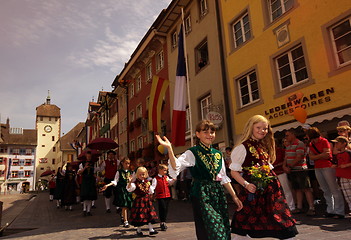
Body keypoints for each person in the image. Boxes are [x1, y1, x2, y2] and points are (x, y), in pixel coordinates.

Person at [156, 120, 243, 240]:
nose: (209, 134)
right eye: (205, 132)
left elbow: (223, 177)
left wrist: (234, 196)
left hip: (217, 192)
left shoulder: (218, 154)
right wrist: (170, 149)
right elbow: (176, 166)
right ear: (197, 134)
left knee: (222, 225)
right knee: (209, 226)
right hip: (201, 192)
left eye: (212, 132)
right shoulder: (193, 152)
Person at [230, 115, 298, 240]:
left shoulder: (262, 146)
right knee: (248, 221)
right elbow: (234, 171)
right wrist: (246, 184)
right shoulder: (242, 147)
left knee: (279, 215)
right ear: (251, 128)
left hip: (271, 190)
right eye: (259, 127)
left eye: (265, 128)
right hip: (254, 189)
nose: (262, 131)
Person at [306, 127, 345, 219]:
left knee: (334, 188)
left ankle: (339, 211)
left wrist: (316, 156)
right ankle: (330, 209)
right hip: (318, 167)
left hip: (327, 166)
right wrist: (320, 156)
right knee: (325, 189)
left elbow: (327, 154)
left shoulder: (324, 141)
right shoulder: (311, 144)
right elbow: (311, 157)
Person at [283, 129, 315, 216]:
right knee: (297, 189)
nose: (286, 137)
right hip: (292, 170)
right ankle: (299, 207)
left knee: (306, 188)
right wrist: (285, 166)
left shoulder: (299, 143)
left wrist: (289, 166)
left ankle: (311, 207)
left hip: (300, 169)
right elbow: (286, 157)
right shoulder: (288, 145)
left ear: (293, 134)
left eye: (287, 135)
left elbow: (299, 157)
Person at [127, 167, 158, 236]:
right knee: (139, 215)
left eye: (143, 174)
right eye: (140, 174)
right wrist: (129, 182)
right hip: (139, 201)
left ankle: (151, 229)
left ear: (146, 174)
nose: (142, 176)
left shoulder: (147, 182)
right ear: (137, 175)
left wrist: (152, 194)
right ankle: (139, 230)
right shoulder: (135, 183)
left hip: (147, 200)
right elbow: (129, 189)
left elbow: (150, 191)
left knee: (149, 214)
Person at [102, 157, 133, 227]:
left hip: (129, 190)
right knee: (124, 205)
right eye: (126, 163)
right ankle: (126, 221)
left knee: (128, 205)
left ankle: (123, 216)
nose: (127, 165)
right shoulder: (119, 172)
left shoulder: (131, 172)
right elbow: (115, 181)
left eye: (128, 163)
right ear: (122, 163)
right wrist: (107, 185)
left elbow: (133, 181)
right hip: (122, 190)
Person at [273, 138, 295, 212]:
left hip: (281, 172)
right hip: (273, 174)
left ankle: (290, 206)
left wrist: (278, 165)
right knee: (276, 192)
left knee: (286, 190)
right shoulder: (269, 152)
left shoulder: (281, 151)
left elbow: (285, 160)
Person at [331, 136, 351, 216]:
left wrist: (346, 165)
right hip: (342, 177)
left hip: (349, 175)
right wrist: (334, 166)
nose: (336, 145)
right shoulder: (337, 155)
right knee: (348, 196)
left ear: (344, 144)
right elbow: (335, 163)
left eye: (337, 143)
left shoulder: (349, 153)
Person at [152, 164, 176, 231]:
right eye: (164, 170)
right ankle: (162, 222)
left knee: (166, 209)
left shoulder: (166, 177)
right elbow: (153, 187)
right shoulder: (155, 178)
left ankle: (164, 221)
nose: (165, 172)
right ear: (160, 170)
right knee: (162, 208)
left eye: (166, 170)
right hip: (160, 196)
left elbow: (170, 182)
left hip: (167, 195)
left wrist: (174, 179)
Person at [78, 151, 98, 216]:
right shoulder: (82, 164)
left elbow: (93, 173)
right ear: (86, 157)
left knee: (90, 196)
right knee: (85, 196)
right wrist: (85, 168)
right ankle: (84, 209)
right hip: (85, 180)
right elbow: (79, 173)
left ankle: (88, 210)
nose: (89, 158)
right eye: (88, 156)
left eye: (90, 156)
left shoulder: (93, 164)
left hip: (91, 180)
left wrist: (97, 177)